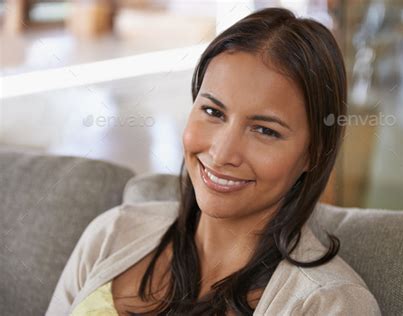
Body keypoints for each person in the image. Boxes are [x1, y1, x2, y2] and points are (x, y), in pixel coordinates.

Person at [46, 7, 381, 316]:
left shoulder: (330, 304)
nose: (222, 154)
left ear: (314, 152)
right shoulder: (111, 234)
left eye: (264, 130)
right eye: (212, 111)